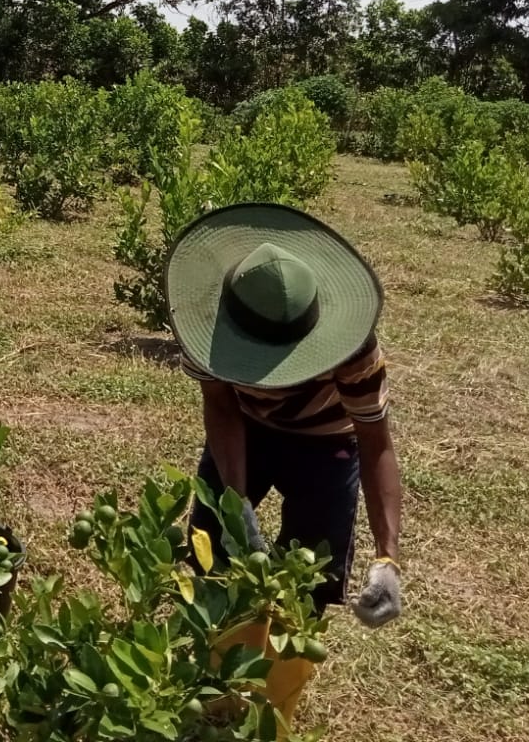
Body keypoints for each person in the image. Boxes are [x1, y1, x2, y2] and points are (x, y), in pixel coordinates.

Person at [167, 203, 404, 628]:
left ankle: (276, 674)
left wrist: (388, 558)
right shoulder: (204, 327)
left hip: (326, 442)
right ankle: (212, 652)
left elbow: (375, 443)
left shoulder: (355, 355)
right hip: (247, 427)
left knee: (306, 581)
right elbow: (221, 405)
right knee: (214, 552)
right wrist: (235, 503)